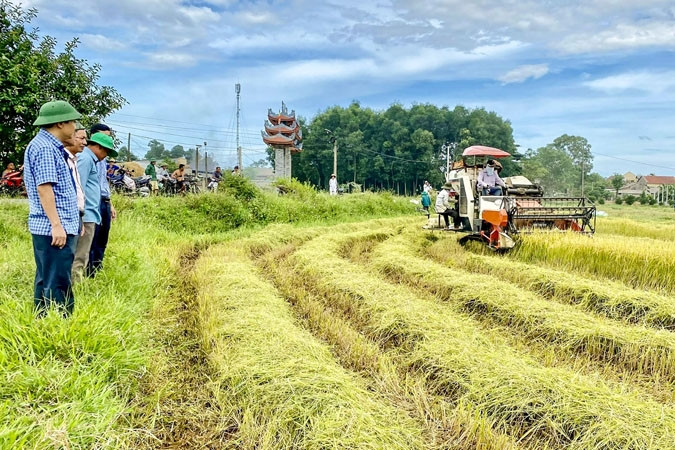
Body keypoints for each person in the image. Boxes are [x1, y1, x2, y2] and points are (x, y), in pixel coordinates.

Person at [23, 100, 82, 317]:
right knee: (58, 282)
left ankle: (42, 322)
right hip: (53, 228)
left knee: (46, 278)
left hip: (54, 226)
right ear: (60, 124)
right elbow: (44, 188)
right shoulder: (46, 148)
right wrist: (57, 225)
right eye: (73, 122)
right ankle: (59, 329)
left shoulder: (46, 146)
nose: (75, 127)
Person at [72, 133, 117, 283]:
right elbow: (78, 189)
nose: (105, 156)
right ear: (97, 147)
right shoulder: (85, 159)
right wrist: (80, 217)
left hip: (91, 213)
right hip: (86, 215)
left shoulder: (90, 159)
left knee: (84, 254)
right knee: (80, 255)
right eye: (106, 151)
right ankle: (73, 289)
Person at [88, 124, 117, 277]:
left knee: (102, 237)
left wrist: (110, 203)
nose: (107, 139)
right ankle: (88, 271)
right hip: (94, 201)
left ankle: (97, 268)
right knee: (92, 237)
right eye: (104, 136)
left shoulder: (102, 160)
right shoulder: (86, 158)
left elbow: (103, 182)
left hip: (104, 200)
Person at [64, 126, 87, 220]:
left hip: (76, 215)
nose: (85, 143)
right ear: (71, 136)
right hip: (66, 217)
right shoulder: (62, 159)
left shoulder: (74, 160)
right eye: (82, 138)